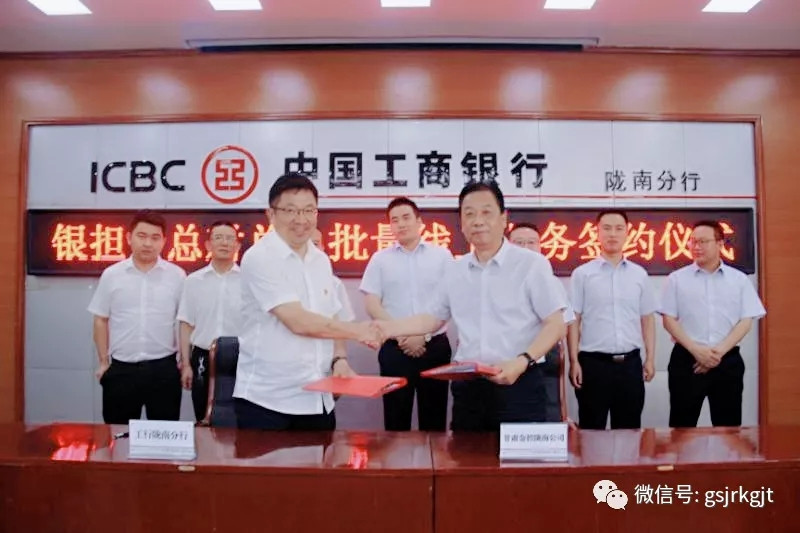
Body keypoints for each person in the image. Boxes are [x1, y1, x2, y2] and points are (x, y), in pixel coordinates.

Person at [372, 181, 567, 431]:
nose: (477, 221)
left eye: (486, 212)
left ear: (504, 218)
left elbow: (556, 324)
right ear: (461, 224)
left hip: (519, 382)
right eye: (469, 214)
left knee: (517, 458)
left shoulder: (531, 265)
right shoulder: (455, 269)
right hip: (469, 389)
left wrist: (522, 361)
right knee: (466, 455)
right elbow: (431, 318)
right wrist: (385, 329)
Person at [233, 173, 378, 431]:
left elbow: (331, 314)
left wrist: (339, 359)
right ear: (271, 214)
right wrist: (359, 331)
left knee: (323, 458)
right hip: (268, 402)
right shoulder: (259, 257)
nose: (301, 220)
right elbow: (298, 322)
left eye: (309, 210)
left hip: (318, 399)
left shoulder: (320, 260)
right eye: (290, 210)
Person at [660, 220, 766, 428]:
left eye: (703, 241)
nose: (696, 246)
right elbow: (668, 320)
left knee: (728, 427)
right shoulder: (676, 279)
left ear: (720, 244)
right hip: (687, 361)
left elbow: (746, 320)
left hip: (727, 361)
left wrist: (716, 354)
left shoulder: (738, 280)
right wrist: (697, 351)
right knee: (682, 427)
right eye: (693, 241)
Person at [360, 197, 454, 431]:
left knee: (434, 422)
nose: (400, 224)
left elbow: (450, 301)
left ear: (419, 221)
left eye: (406, 218)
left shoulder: (442, 256)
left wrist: (424, 335)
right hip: (395, 349)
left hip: (434, 347)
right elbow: (372, 304)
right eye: (394, 220)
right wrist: (402, 334)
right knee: (395, 420)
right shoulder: (380, 260)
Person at [88, 210, 186, 423]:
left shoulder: (177, 275)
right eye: (141, 236)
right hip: (122, 369)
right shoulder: (112, 274)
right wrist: (103, 362)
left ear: (164, 241)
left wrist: (185, 363)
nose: (148, 243)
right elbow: (100, 319)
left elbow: (184, 322)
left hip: (164, 369)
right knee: (118, 436)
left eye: (155, 237)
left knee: (163, 435)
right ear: (128, 238)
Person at [567, 210, 657, 430]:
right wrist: (574, 361)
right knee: (591, 431)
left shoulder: (639, 274)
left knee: (629, 431)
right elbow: (573, 320)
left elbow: (647, 319)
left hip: (630, 365)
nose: (612, 234)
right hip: (593, 365)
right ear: (597, 233)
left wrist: (650, 358)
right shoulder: (582, 274)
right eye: (606, 228)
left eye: (618, 229)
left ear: (627, 233)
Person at [508, 221, 574, 422]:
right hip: (505, 359)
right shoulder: (495, 279)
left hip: (542, 358)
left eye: (531, 242)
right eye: (519, 243)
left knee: (545, 415)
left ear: (540, 246)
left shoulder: (551, 281)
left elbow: (563, 325)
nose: (526, 248)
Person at [177, 220, 242, 422]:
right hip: (203, 356)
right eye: (218, 238)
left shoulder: (248, 280)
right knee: (203, 413)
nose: (224, 243)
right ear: (207, 245)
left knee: (238, 415)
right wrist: (186, 364)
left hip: (240, 356)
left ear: (237, 246)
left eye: (230, 238)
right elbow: (186, 324)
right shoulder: (193, 281)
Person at [311, 228, 356, 323]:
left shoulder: (334, 283)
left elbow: (345, 322)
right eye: (304, 244)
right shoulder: (284, 280)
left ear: (322, 248)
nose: (311, 249)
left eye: (315, 244)